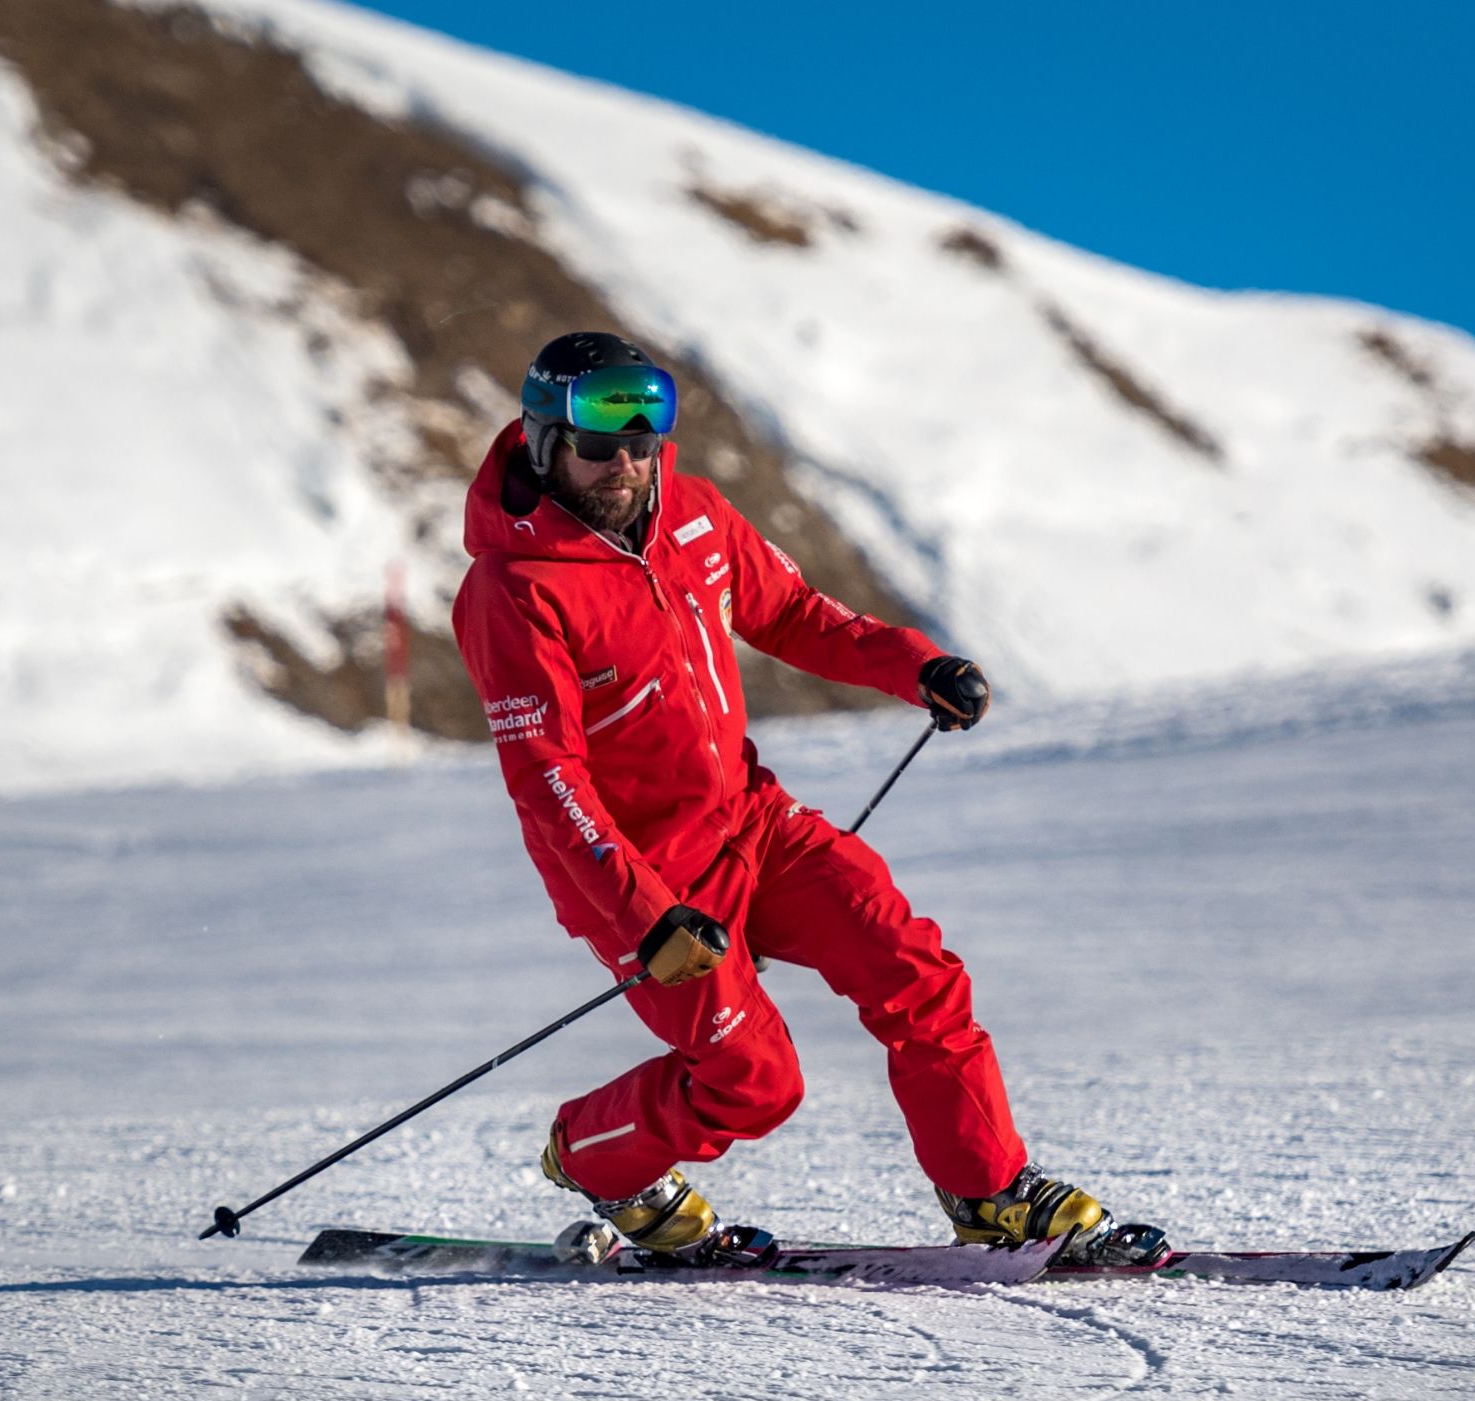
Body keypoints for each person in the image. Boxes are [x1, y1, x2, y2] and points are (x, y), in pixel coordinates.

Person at [450, 332, 1166, 1267]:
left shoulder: (695, 516)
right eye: (598, 444)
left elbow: (791, 614)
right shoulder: (513, 591)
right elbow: (550, 779)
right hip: (648, 876)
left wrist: (916, 666)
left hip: (753, 822)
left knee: (913, 968)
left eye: (644, 437)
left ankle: (989, 1192)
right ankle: (594, 1154)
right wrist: (646, 913)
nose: (626, 463)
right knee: (755, 1084)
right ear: (546, 442)